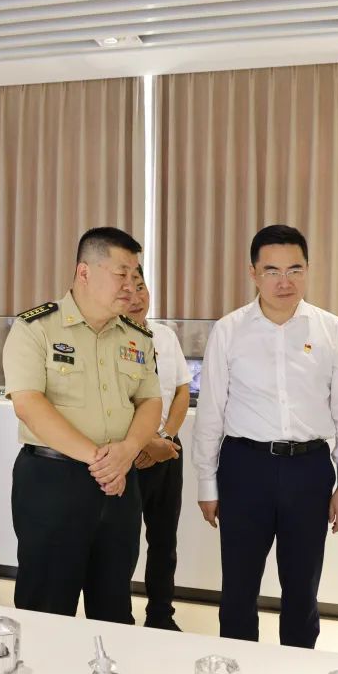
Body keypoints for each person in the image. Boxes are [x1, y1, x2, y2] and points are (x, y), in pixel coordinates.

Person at [192, 224, 338, 648]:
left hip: (309, 469)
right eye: (272, 271)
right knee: (238, 586)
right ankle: (236, 667)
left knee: (302, 587)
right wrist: (206, 483)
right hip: (244, 467)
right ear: (253, 273)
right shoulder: (229, 330)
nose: (284, 282)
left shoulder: (330, 330)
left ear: (307, 269)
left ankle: (297, 669)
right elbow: (211, 412)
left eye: (294, 270)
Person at [3, 227, 162, 624]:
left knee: (113, 605)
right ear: (84, 272)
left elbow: (150, 401)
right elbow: (28, 405)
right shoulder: (36, 327)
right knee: (46, 607)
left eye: (135, 274)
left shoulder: (136, 335)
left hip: (120, 483)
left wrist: (127, 451)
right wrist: (101, 460)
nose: (130, 284)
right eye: (121, 273)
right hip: (53, 481)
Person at [126, 266, 191, 631]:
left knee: (164, 541)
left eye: (142, 287)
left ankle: (161, 616)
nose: (137, 297)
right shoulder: (108, 338)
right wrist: (144, 443)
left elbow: (181, 389)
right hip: (127, 455)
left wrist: (165, 438)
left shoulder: (165, 336)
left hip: (168, 450)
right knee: (121, 544)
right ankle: (118, 617)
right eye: (128, 289)